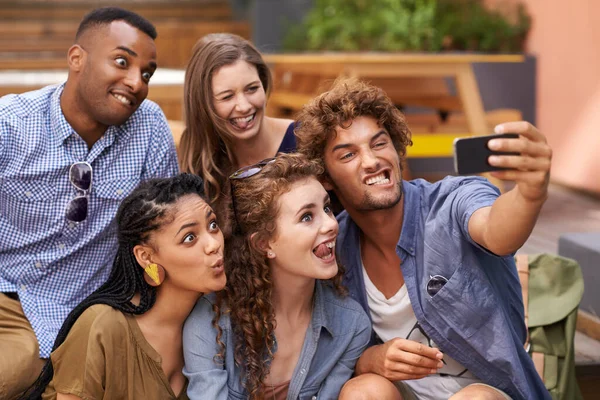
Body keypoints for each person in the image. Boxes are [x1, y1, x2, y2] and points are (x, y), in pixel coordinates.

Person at [294, 78, 552, 400]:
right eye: (348, 155)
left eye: (379, 143)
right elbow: (319, 350)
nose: (372, 161)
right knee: (363, 391)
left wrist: (530, 194)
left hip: (487, 394)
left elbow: (496, 232)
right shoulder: (336, 246)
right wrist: (369, 360)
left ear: (396, 146)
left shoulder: (450, 203)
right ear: (326, 178)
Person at [0, 7, 178, 398]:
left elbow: (165, 229)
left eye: (146, 73)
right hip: (7, 292)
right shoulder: (11, 124)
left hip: (87, 308)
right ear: (76, 58)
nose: (136, 82)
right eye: (122, 62)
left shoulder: (148, 129)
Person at [182, 153, 371, 400]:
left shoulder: (351, 326)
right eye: (307, 216)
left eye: (326, 208)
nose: (331, 224)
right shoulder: (211, 321)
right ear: (264, 243)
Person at [19, 173, 225, 400]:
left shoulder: (218, 321)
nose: (214, 244)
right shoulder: (102, 326)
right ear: (146, 257)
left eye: (213, 225)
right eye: (189, 238)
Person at [178, 33, 295, 235]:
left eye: (251, 89)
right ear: (204, 105)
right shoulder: (200, 164)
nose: (243, 106)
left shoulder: (304, 139)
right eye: (227, 96)